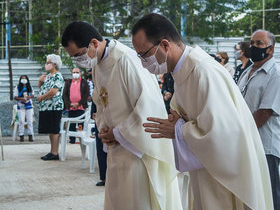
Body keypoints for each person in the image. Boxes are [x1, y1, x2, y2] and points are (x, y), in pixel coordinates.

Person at [132, 13, 273, 210]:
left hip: (223, 180)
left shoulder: (204, 72)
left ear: (165, 45)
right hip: (206, 173)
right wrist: (179, 122)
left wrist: (179, 130)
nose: (142, 62)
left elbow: (227, 135)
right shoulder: (183, 73)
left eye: (144, 55)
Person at [62, 21, 182, 210]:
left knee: (138, 202)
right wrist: (103, 129)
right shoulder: (98, 64)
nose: (78, 61)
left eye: (78, 55)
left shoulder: (126, 60)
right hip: (116, 149)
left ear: (94, 43)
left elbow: (148, 107)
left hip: (138, 152)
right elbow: (101, 104)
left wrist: (118, 133)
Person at [238, 29, 280, 210]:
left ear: (270, 50)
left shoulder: (275, 74)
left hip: (265, 147)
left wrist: (237, 132)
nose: (253, 47)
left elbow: (264, 113)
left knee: (269, 196)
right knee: (251, 195)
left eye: (259, 44)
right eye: (252, 43)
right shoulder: (247, 72)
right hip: (246, 143)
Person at [37, 54, 65, 161]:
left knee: (54, 130)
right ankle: (52, 151)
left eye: (48, 62)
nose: (46, 64)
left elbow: (53, 91)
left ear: (54, 64)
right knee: (50, 130)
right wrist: (40, 81)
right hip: (46, 107)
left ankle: (55, 152)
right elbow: (42, 87)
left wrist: (41, 98)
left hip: (54, 106)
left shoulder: (58, 76)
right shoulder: (48, 76)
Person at [87, 69, 107, 186]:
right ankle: (103, 177)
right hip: (98, 120)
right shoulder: (96, 86)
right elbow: (94, 102)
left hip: (109, 119)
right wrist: (93, 114)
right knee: (100, 149)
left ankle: (111, 177)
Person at [63, 67, 89, 144]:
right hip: (71, 108)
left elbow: (86, 94)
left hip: (81, 107)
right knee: (71, 124)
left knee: (81, 124)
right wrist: (70, 104)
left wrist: (78, 103)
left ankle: (81, 140)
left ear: (80, 73)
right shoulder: (68, 82)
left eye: (77, 72)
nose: (75, 74)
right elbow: (65, 95)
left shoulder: (84, 82)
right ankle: (72, 140)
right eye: (74, 72)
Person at [14, 75, 34, 142]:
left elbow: (33, 95)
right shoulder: (17, 87)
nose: (24, 80)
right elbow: (15, 97)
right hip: (21, 106)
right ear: (20, 80)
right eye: (22, 78)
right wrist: (21, 99)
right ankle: (21, 136)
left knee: (30, 121)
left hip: (29, 106)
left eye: (25, 78)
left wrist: (29, 97)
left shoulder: (30, 87)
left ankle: (30, 135)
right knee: (21, 121)